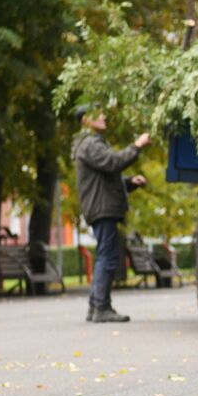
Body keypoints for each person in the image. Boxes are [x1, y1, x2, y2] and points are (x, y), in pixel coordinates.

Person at [71, 105, 150, 323]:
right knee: (107, 255)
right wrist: (137, 145)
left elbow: (106, 178)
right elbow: (114, 163)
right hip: (102, 208)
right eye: (99, 114)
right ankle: (101, 307)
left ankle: (94, 307)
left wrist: (129, 183)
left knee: (106, 254)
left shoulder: (90, 144)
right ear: (86, 120)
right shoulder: (90, 144)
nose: (104, 116)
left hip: (101, 205)